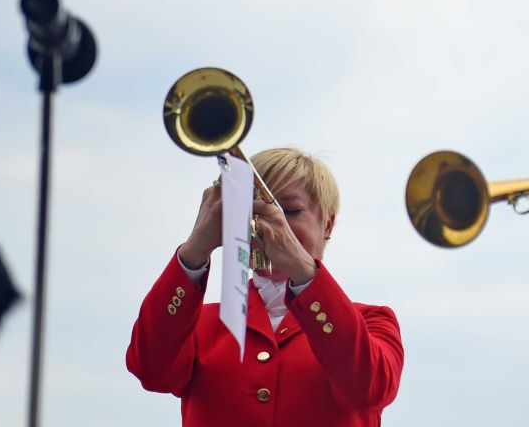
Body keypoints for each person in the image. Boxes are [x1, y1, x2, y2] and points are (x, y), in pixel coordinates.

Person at [126, 147, 403, 426]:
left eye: (290, 211)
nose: (270, 224)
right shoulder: (199, 324)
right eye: (251, 211)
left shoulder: (374, 322)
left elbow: (368, 389)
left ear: (327, 224)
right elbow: (150, 370)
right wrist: (197, 247)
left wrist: (303, 271)